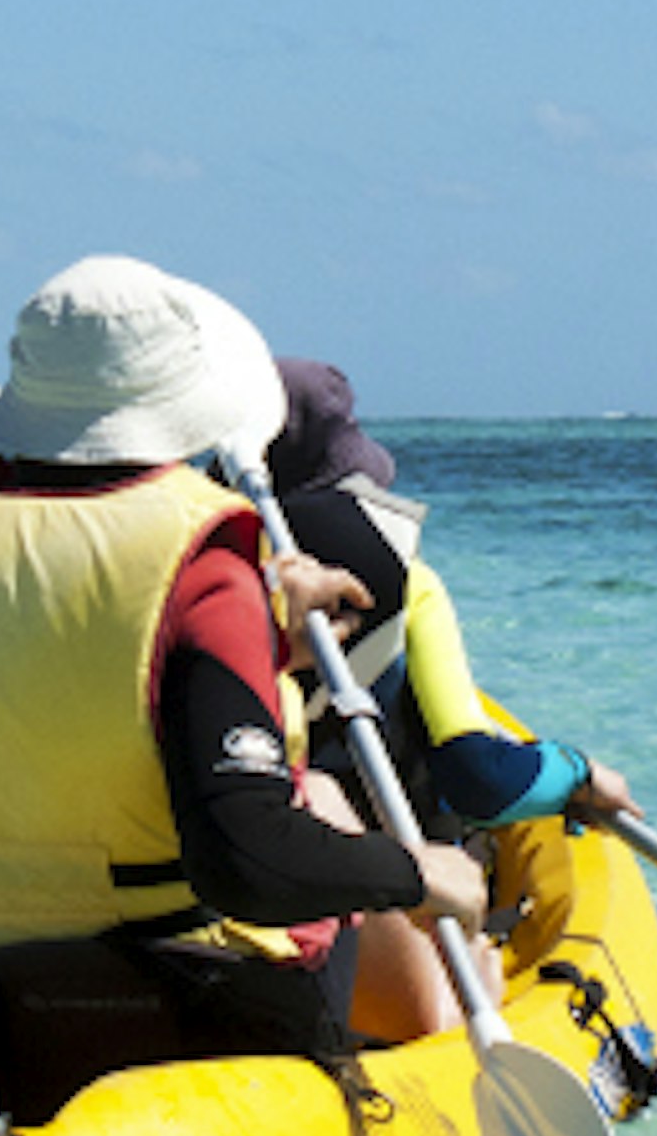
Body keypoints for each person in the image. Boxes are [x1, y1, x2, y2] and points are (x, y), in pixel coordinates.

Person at [0, 257, 493, 1081]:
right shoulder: (204, 557)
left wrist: (258, 641)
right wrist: (420, 875)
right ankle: (449, 1032)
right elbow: (248, 861)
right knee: (324, 799)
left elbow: (58, 681)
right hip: (181, 994)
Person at [264, 356, 637, 899]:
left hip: (228, 854)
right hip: (372, 878)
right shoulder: (408, 581)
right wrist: (575, 771)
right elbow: (478, 779)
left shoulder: (194, 570)